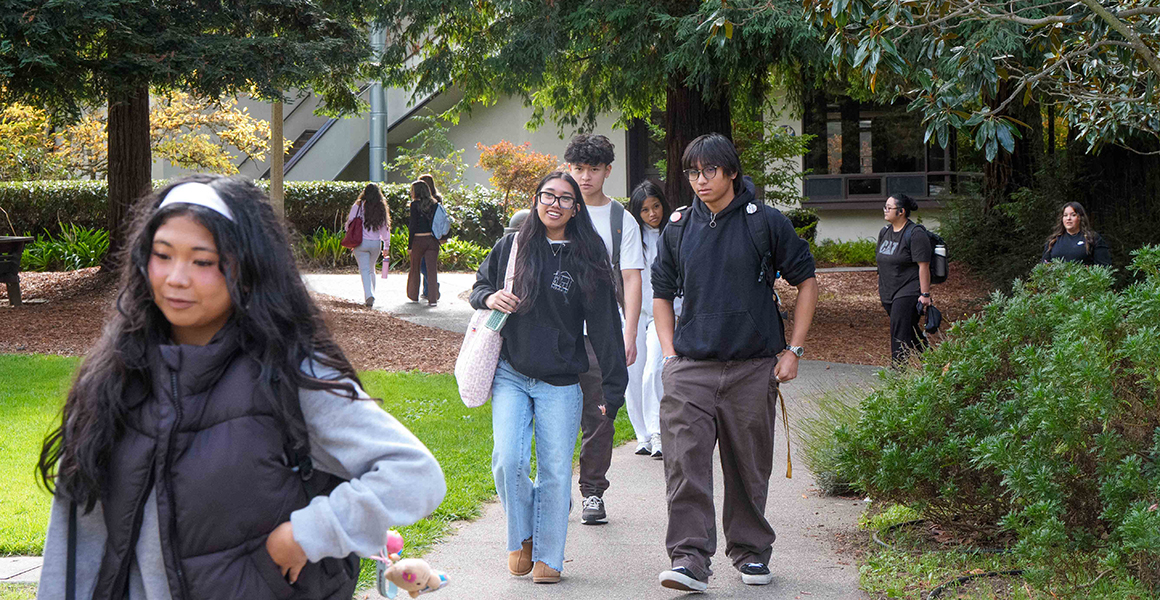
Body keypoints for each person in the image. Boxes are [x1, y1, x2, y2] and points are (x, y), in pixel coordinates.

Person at [35, 175, 446, 600]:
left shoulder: (290, 375)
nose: (177, 278)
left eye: (202, 261)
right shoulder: (112, 376)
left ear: (247, 268)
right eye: (163, 255)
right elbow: (75, 540)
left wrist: (308, 533)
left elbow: (414, 475)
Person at [652, 133, 818, 591]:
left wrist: (795, 350)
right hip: (691, 367)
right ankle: (689, 559)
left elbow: (807, 281)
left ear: (730, 172)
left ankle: (750, 553)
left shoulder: (765, 222)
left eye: (709, 171)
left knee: (748, 466)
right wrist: (669, 356)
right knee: (685, 464)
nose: (699, 180)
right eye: (692, 172)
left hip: (752, 366)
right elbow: (662, 294)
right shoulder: (678, 227)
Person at [469, 172, 627, 584]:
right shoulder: (514, 245)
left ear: (576, 209)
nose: (554, 204)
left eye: (565, 199)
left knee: (556, 471)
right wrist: (490, 297)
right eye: (547, 196)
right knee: (508, 461)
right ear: (536, 199)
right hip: (511, 372)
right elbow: (479, 287)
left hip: (561, 380)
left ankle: (549, 557)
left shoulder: (587, 258)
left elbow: (607, 328)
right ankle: (522, 535)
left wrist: (614, 387)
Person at [564, 133, 644, 526]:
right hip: (556, 331)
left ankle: (592, 492)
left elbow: (631, 278)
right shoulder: (558, 208)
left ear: (608, 171)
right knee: (554, 413)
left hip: (601, 333)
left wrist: (629, 333)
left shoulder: (619, 219)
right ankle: (555, 487)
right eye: (578, 168)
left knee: (601, 413)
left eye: (593, 169)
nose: (585, 176)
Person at [624, 180, 672, 459]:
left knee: (654, 369)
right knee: (632, 374)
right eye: (645, 210)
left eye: (656, 206)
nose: (652, 214)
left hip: (662, 312)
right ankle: (642, 435)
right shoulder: (631, 235)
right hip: (632, 314)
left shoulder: (673, 233)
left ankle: (658, 433)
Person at [876, 193, 932, 366]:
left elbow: (924, 266)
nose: (885, 210)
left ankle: (898, 373)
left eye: (889, 208)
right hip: (888, 291)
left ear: (901, 211)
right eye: (885, 207)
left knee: (898, 332)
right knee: (909, 330)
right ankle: (934, 363)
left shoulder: (915, 234)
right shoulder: (884, 232)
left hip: (908, 290)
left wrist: (925, 294)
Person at [345, 183, 391, 307]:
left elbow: (350, 222)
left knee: (364, 270)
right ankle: (372, 294)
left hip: (360, 242)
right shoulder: (381, 207)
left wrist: (349, 232)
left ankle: (369, 295)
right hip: (376, 243)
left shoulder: (358, 206)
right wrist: (386, 246)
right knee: (371, 270)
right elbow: (384, 229)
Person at [1042, 201, 1111, 266]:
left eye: (1073, 215)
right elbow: (1044, 267)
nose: (1068, 218)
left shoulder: (1093, 238)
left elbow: (1103, 267)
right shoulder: (1053, 241)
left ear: (1080, 218)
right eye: (1065, 215)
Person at [407, 180, 440, 306]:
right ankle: (433, 299)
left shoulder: (414, 205)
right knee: (432, 270)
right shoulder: (435, 204)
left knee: (415, 268)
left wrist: (410, 245)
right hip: (432, 240)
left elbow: (413, 225)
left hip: (418, 240)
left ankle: (413, 295)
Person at [418, 174, 444, 301]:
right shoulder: (437, 199)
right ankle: (427, 290)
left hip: (427, 235)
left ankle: (433, 287)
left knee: (424, 265)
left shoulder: (432, 200)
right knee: (428, 263)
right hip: (434, 236)